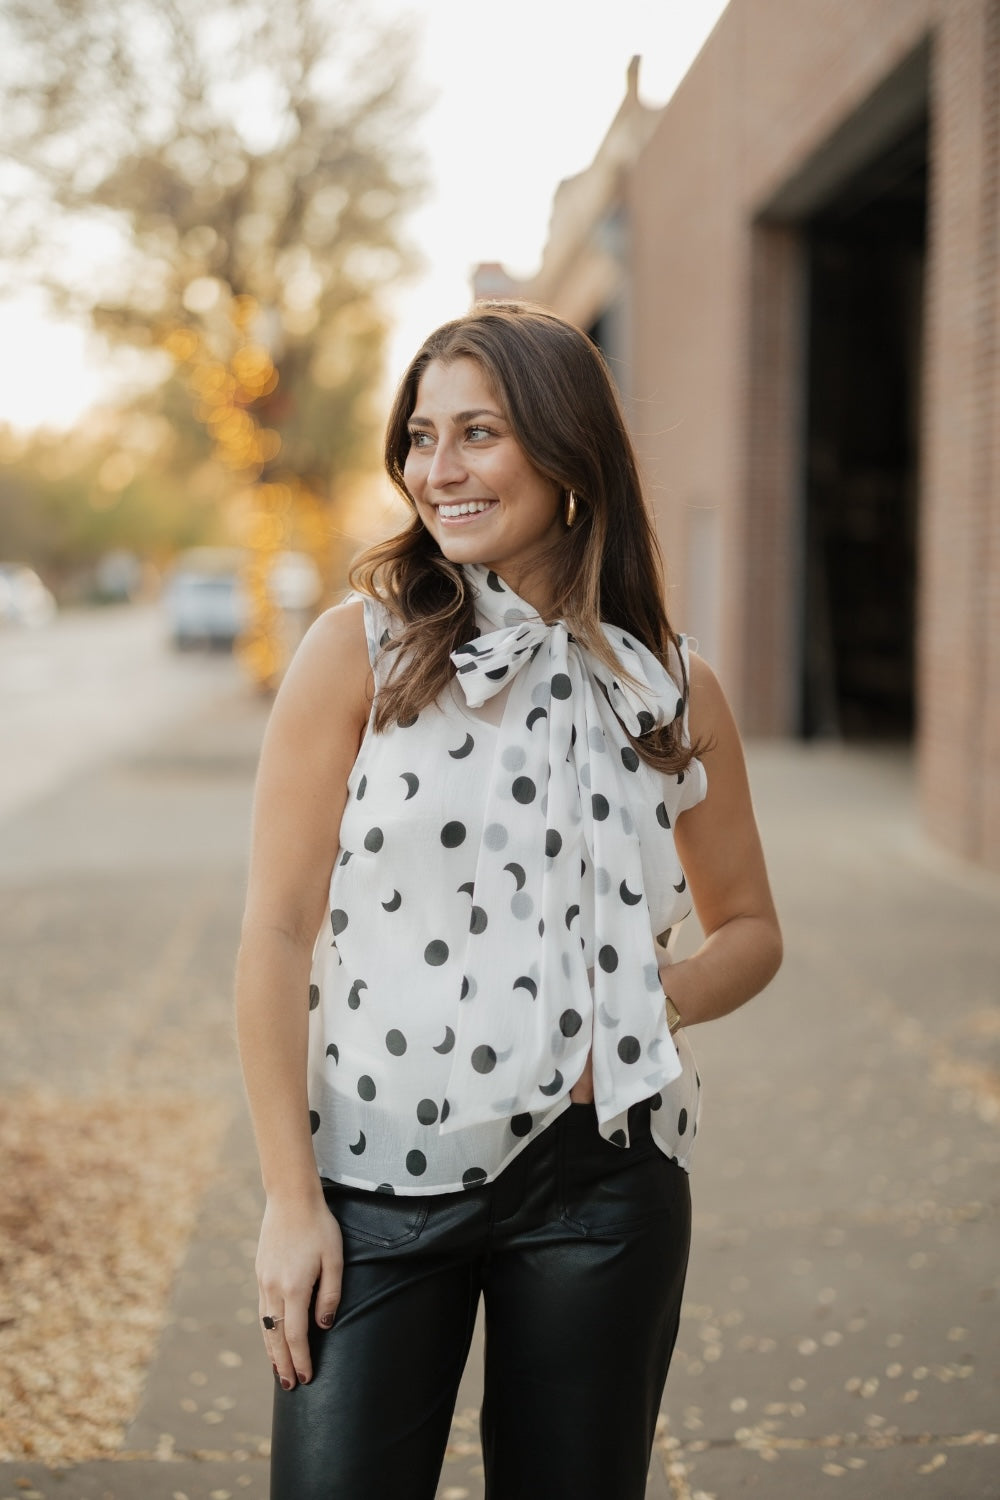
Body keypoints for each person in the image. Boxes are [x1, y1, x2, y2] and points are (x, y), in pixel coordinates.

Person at [235, 301, 782, 1500]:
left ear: (565, 448)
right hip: (375, 1178)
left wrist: (635, 1016)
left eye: (477, 432)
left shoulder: (669, 683)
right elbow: (275, 934)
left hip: (604, 1184)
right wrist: (290, 1200)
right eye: (422, 437)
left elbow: (749, 931)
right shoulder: (355, 652)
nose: (439, 469)